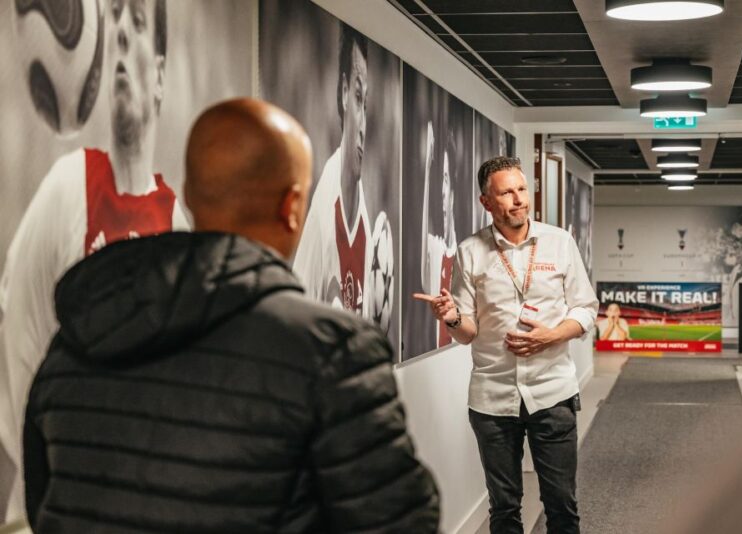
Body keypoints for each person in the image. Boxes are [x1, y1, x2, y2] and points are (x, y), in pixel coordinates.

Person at [23, 98, 439, 532]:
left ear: (190, 195)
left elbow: (43, 503)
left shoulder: (78, 336)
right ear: (292, 206)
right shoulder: (334, 350)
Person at [0, 0, 187, 522]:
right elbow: (13, 365)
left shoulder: (179, 228)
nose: (121, 33)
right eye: (117, 19)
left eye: (140, 23)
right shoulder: (67, 188)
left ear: (161, 78)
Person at [414, 156, 598, 534]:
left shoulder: (560, 243)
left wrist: (551, 335)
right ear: (486, 202)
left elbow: (586, 309)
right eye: (506, 193)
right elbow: (467, 332)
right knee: (503, 508)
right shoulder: (469, 252)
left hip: (553, 393)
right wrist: (450, 316)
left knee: (562, 505)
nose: (518, 200)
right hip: (493, 399)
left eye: (521, 189)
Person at [293, 23, 391, 332]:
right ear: (344, 92)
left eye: (367, 103)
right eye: (358, 98)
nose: (363, 123)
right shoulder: (323, 216)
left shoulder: (361, 204)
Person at [420, 121, 458, 348]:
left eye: (446, 180)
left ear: (453, 189)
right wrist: (427, 165)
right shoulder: (436, 249)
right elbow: (424, 232)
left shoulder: (466, 253)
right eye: (440, 181)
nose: (442, 192)